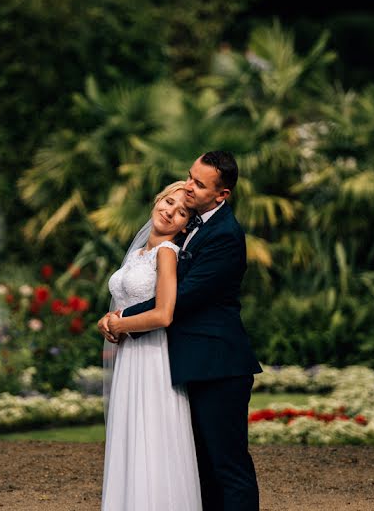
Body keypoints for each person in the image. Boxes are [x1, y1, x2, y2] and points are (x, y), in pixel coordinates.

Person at [99, 151, 262, 511]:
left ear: (222, 195)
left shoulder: (225, 235)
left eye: (199, 184)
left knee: (227, 467)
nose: (189, 187)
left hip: (218, 365)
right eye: (190, 176)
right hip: (184, 364)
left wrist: (120, 320)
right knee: (198, 467)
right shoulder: (188, 227)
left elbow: (182, 299)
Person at [99, 180, 202, 511]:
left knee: (152, 436)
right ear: (157, 202)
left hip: (153, 355)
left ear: (186, 225)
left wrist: (121, 324)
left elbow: (164, 313)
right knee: (130, 435)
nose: (170, 211)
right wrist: (109, 320)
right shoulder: (137, 255)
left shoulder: (167, 254)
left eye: (182, 211)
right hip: (130, 356)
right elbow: (128, 302)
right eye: (168, 202)